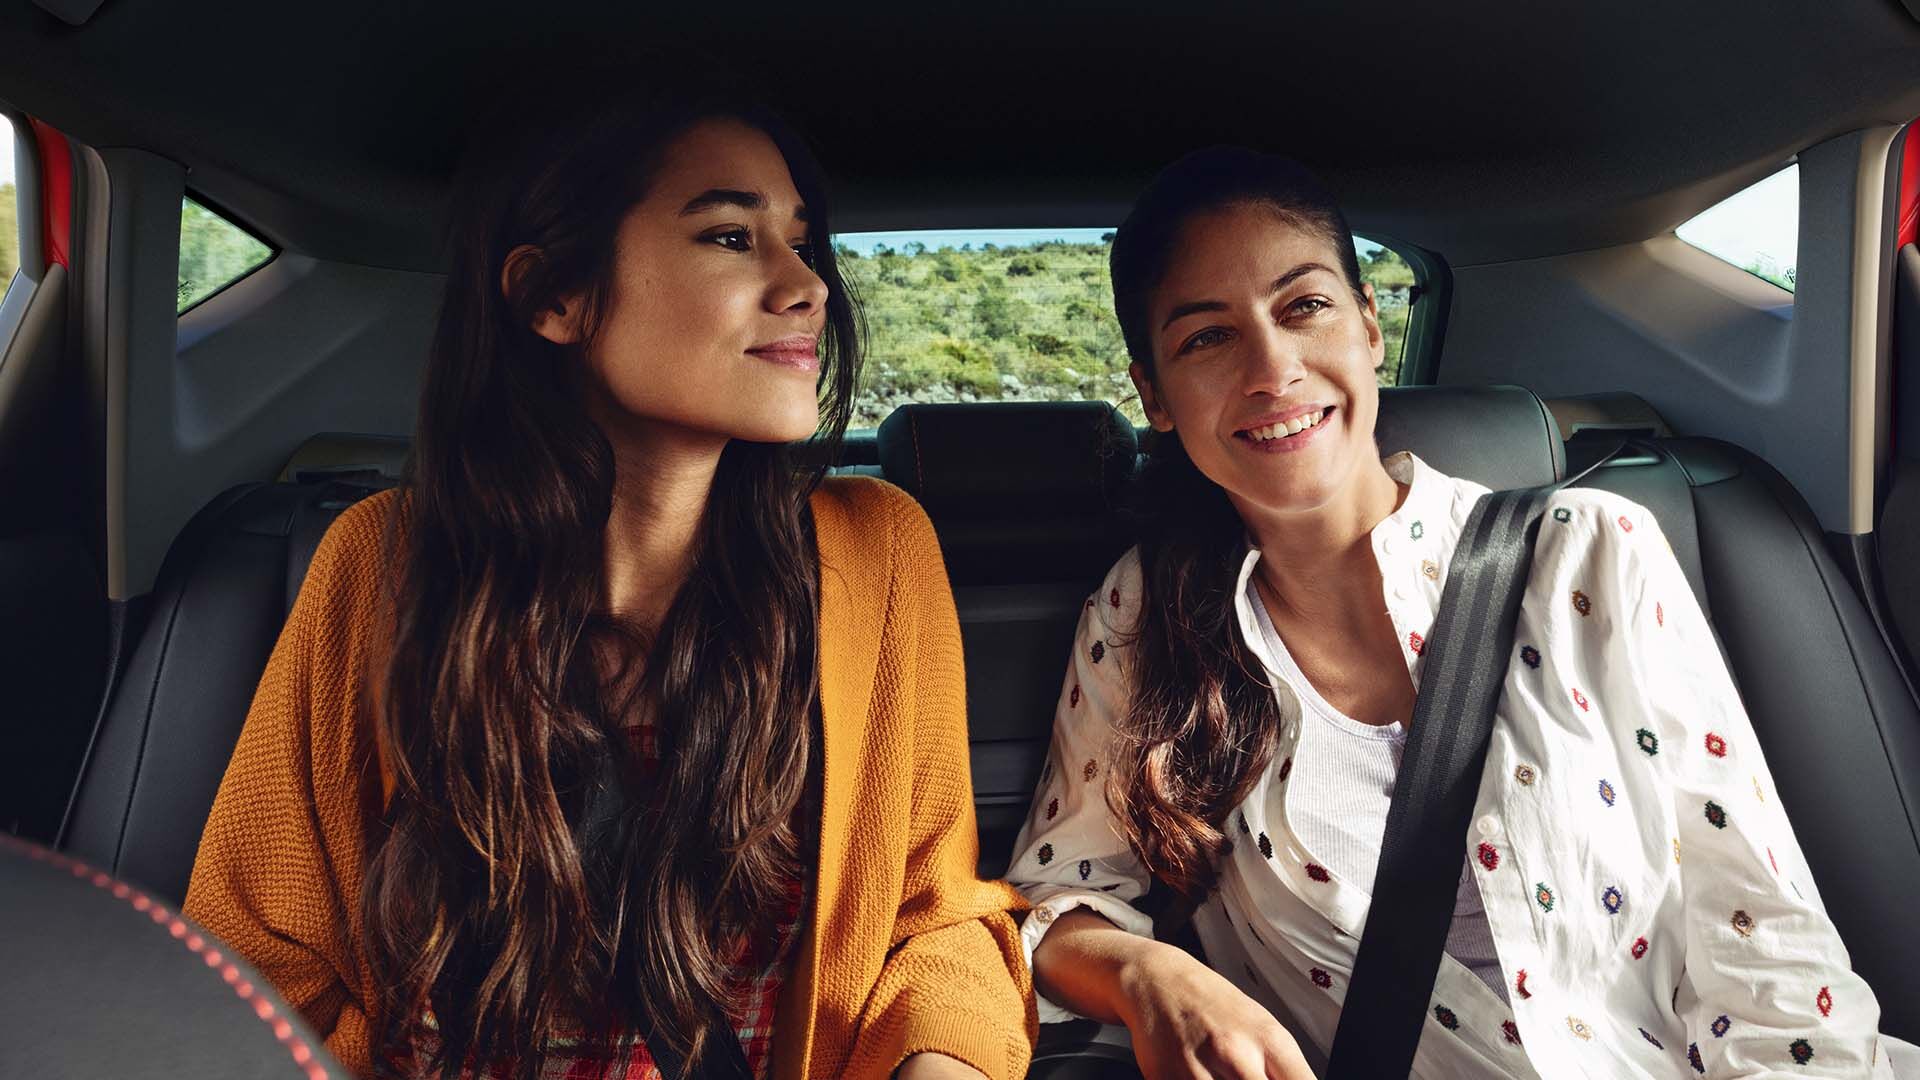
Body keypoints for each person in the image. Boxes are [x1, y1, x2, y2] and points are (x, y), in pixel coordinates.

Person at [182, 85, 1033, 1080]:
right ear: (555, 297)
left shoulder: (877, 554)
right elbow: (258, 967)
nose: (807, 285)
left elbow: (932, 920)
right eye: (731, 236)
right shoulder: (380, 564)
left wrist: (942, 1060)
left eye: (803, 244)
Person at [1007, 147, 1903, 1079]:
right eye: (1207, 338)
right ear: (1153, 394)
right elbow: (1057, 897)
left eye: (1304, 306)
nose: (1273, 369)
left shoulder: (1590, 551)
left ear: (1369, 326)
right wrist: (1150, 973)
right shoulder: (1147, 613)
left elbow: (1765, 949)